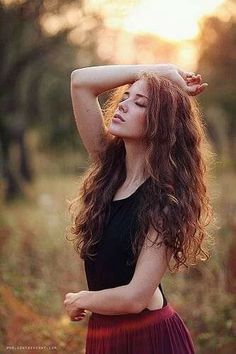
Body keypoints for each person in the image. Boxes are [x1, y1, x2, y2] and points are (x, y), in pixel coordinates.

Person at [64, 64, 214, 354]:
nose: (122, 105)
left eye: (140, 103)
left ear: (162, 123)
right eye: (126, 97)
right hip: (106, 335)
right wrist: (162, 71)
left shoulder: (165, 200)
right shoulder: (109, 171)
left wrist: (82, 299)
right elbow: (79, 81)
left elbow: (135, 298)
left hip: (149, 339)